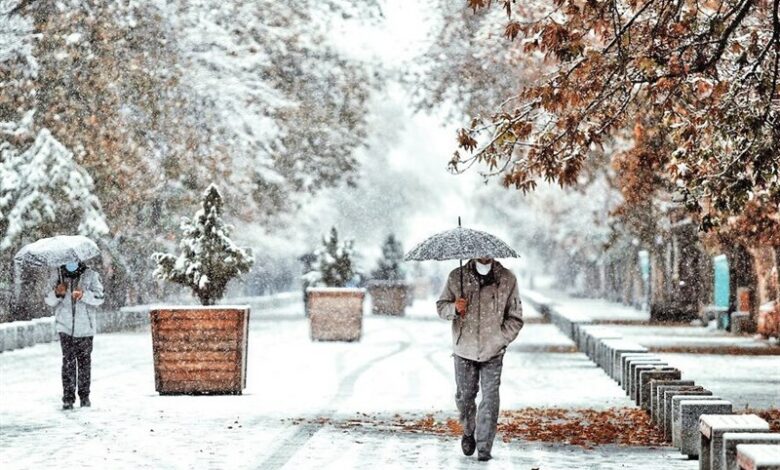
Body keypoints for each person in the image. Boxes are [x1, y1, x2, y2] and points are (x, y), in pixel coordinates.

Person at [437, 257, 524, 461]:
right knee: (465, 396)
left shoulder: (507, 279)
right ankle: (468, 430)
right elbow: (441, 306)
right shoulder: (456, 276)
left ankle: (484, 447)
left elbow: (516, 317)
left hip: (493, 351)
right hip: (464, 349)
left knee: (490, 399)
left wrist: (501, 338)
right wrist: (454, 309)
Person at [44, 261, 104, 410]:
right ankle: (68, 398)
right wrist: (58, 293)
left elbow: (99, 298)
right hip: (65, 327)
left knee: (84, 363)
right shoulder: (57, 275)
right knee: (68, 363)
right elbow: (48, 299)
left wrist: (84, 295)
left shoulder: (90, 275)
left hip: (85, 328)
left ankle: (84, 397)